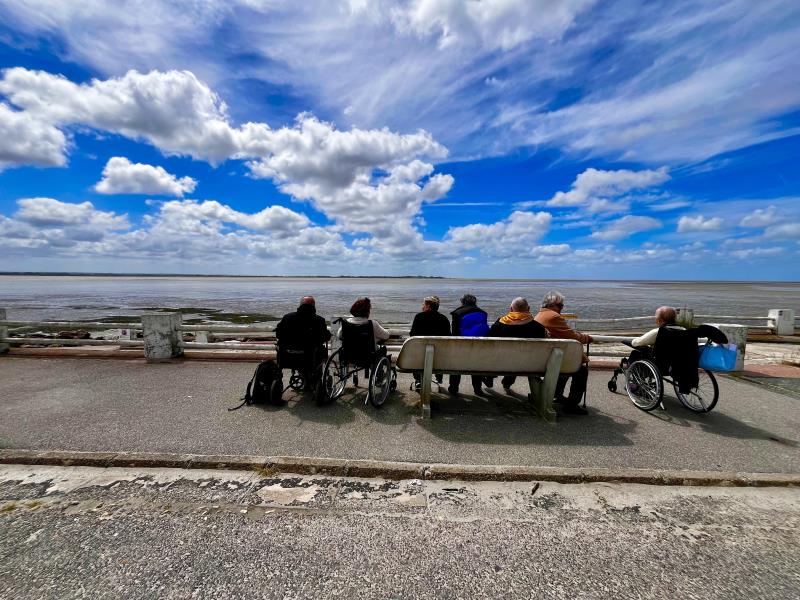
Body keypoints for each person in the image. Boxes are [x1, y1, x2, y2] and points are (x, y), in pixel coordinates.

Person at [534, 291, 592, 415]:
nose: (561, 308)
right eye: (560, 305)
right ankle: (572, 405)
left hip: (543, 359)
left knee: (564, 362)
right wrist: (587, 338)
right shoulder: (553, 317)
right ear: (550, 305)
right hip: (551, 361)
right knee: (581, 371)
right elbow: (572, 336)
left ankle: (557, 394)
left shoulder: (539, 315)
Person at [488, 297, 546, 391]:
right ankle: (508, 382)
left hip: (499, 362)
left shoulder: (499, 324)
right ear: (528, 309)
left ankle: (490, 377)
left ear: (511, 309)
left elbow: (488, 341)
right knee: (519, 356)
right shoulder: (538, 328)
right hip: (527, 364)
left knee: (509, 355)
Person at [275, 296, 332, 379]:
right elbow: (324, 337)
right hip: (310, 357)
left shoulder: (287, 317)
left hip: (287, 356)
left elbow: (279, 334)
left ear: (300, 305)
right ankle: (316, 378)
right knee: (320, 349)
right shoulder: (319, 320)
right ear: (314, 306)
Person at [448, 294, 490, 396]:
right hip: (478, 348)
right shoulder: (483, 313)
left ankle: (454, 387)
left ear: (462, 302)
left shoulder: (457, 313)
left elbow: (455, 334)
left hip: (461, 347)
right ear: (475, 302)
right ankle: (477, 388)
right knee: (476, 361)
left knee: (456, 362)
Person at [409, 295, 451, 390]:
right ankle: (439, 375)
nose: (422, 307)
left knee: (417, 352)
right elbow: (448, 338)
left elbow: (412, 335)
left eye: (423, 305)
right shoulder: (444, 319)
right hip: (439, 357)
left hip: (420, 356)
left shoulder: (419, 317)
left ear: (428, 306)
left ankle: (418, 380)